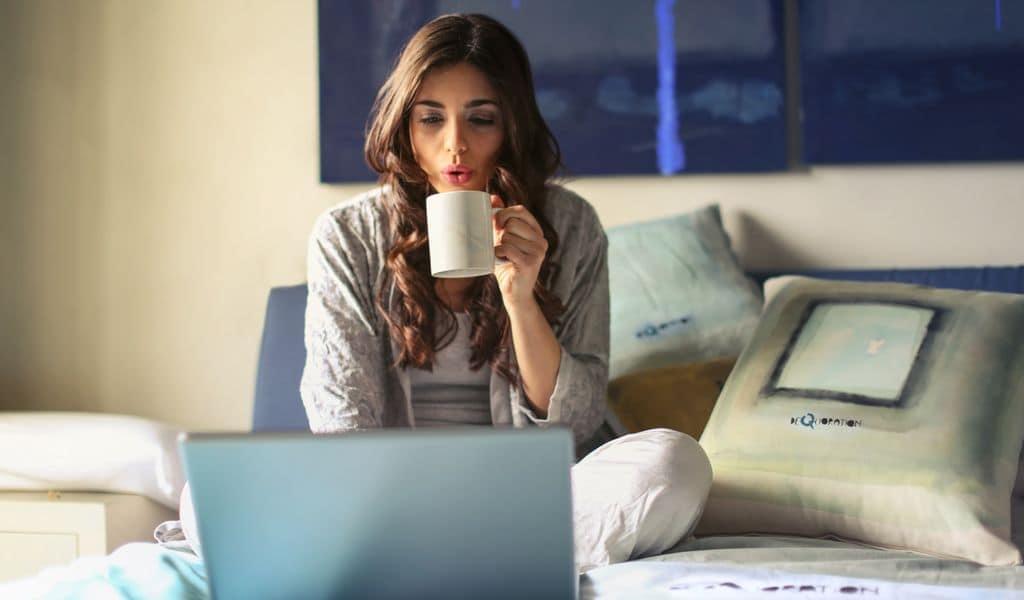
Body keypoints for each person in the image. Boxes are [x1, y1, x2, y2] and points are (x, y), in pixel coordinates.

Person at [298, 13, 711, 573]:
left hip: (535, 496)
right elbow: (341, 419)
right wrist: (383, 501)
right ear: (404, 127)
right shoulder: (347, 236)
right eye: (431, 119)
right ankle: (496, 559)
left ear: (511, 126)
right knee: (202, 501)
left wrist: (521, 297)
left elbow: (578, 420)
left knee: (674, 463)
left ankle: (443, 560)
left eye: (481, 119)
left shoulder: (572, 225)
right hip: (393, 498)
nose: (456, 145)